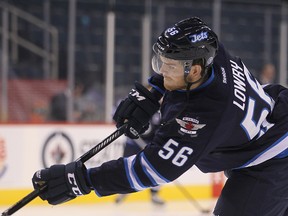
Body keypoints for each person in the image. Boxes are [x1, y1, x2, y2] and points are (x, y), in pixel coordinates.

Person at [32, 17, 288, 216]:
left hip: (273, 161)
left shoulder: (203, 117)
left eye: (170, 67)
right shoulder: (211, 53)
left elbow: (153, 169)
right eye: (160, 61)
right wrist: (152, 92)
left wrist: (84, 180)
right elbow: (175, 67)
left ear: (195, 69)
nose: (162, 70)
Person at [114, 110, 165, 205]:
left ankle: (154, 194)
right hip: (133, 143)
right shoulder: (140, 104)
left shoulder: (161, 111)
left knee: (157, 167)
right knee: (125, 167)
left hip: (150, 143)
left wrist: (153, 143)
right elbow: (125, 122)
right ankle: (123, 191)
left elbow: (161, 129)